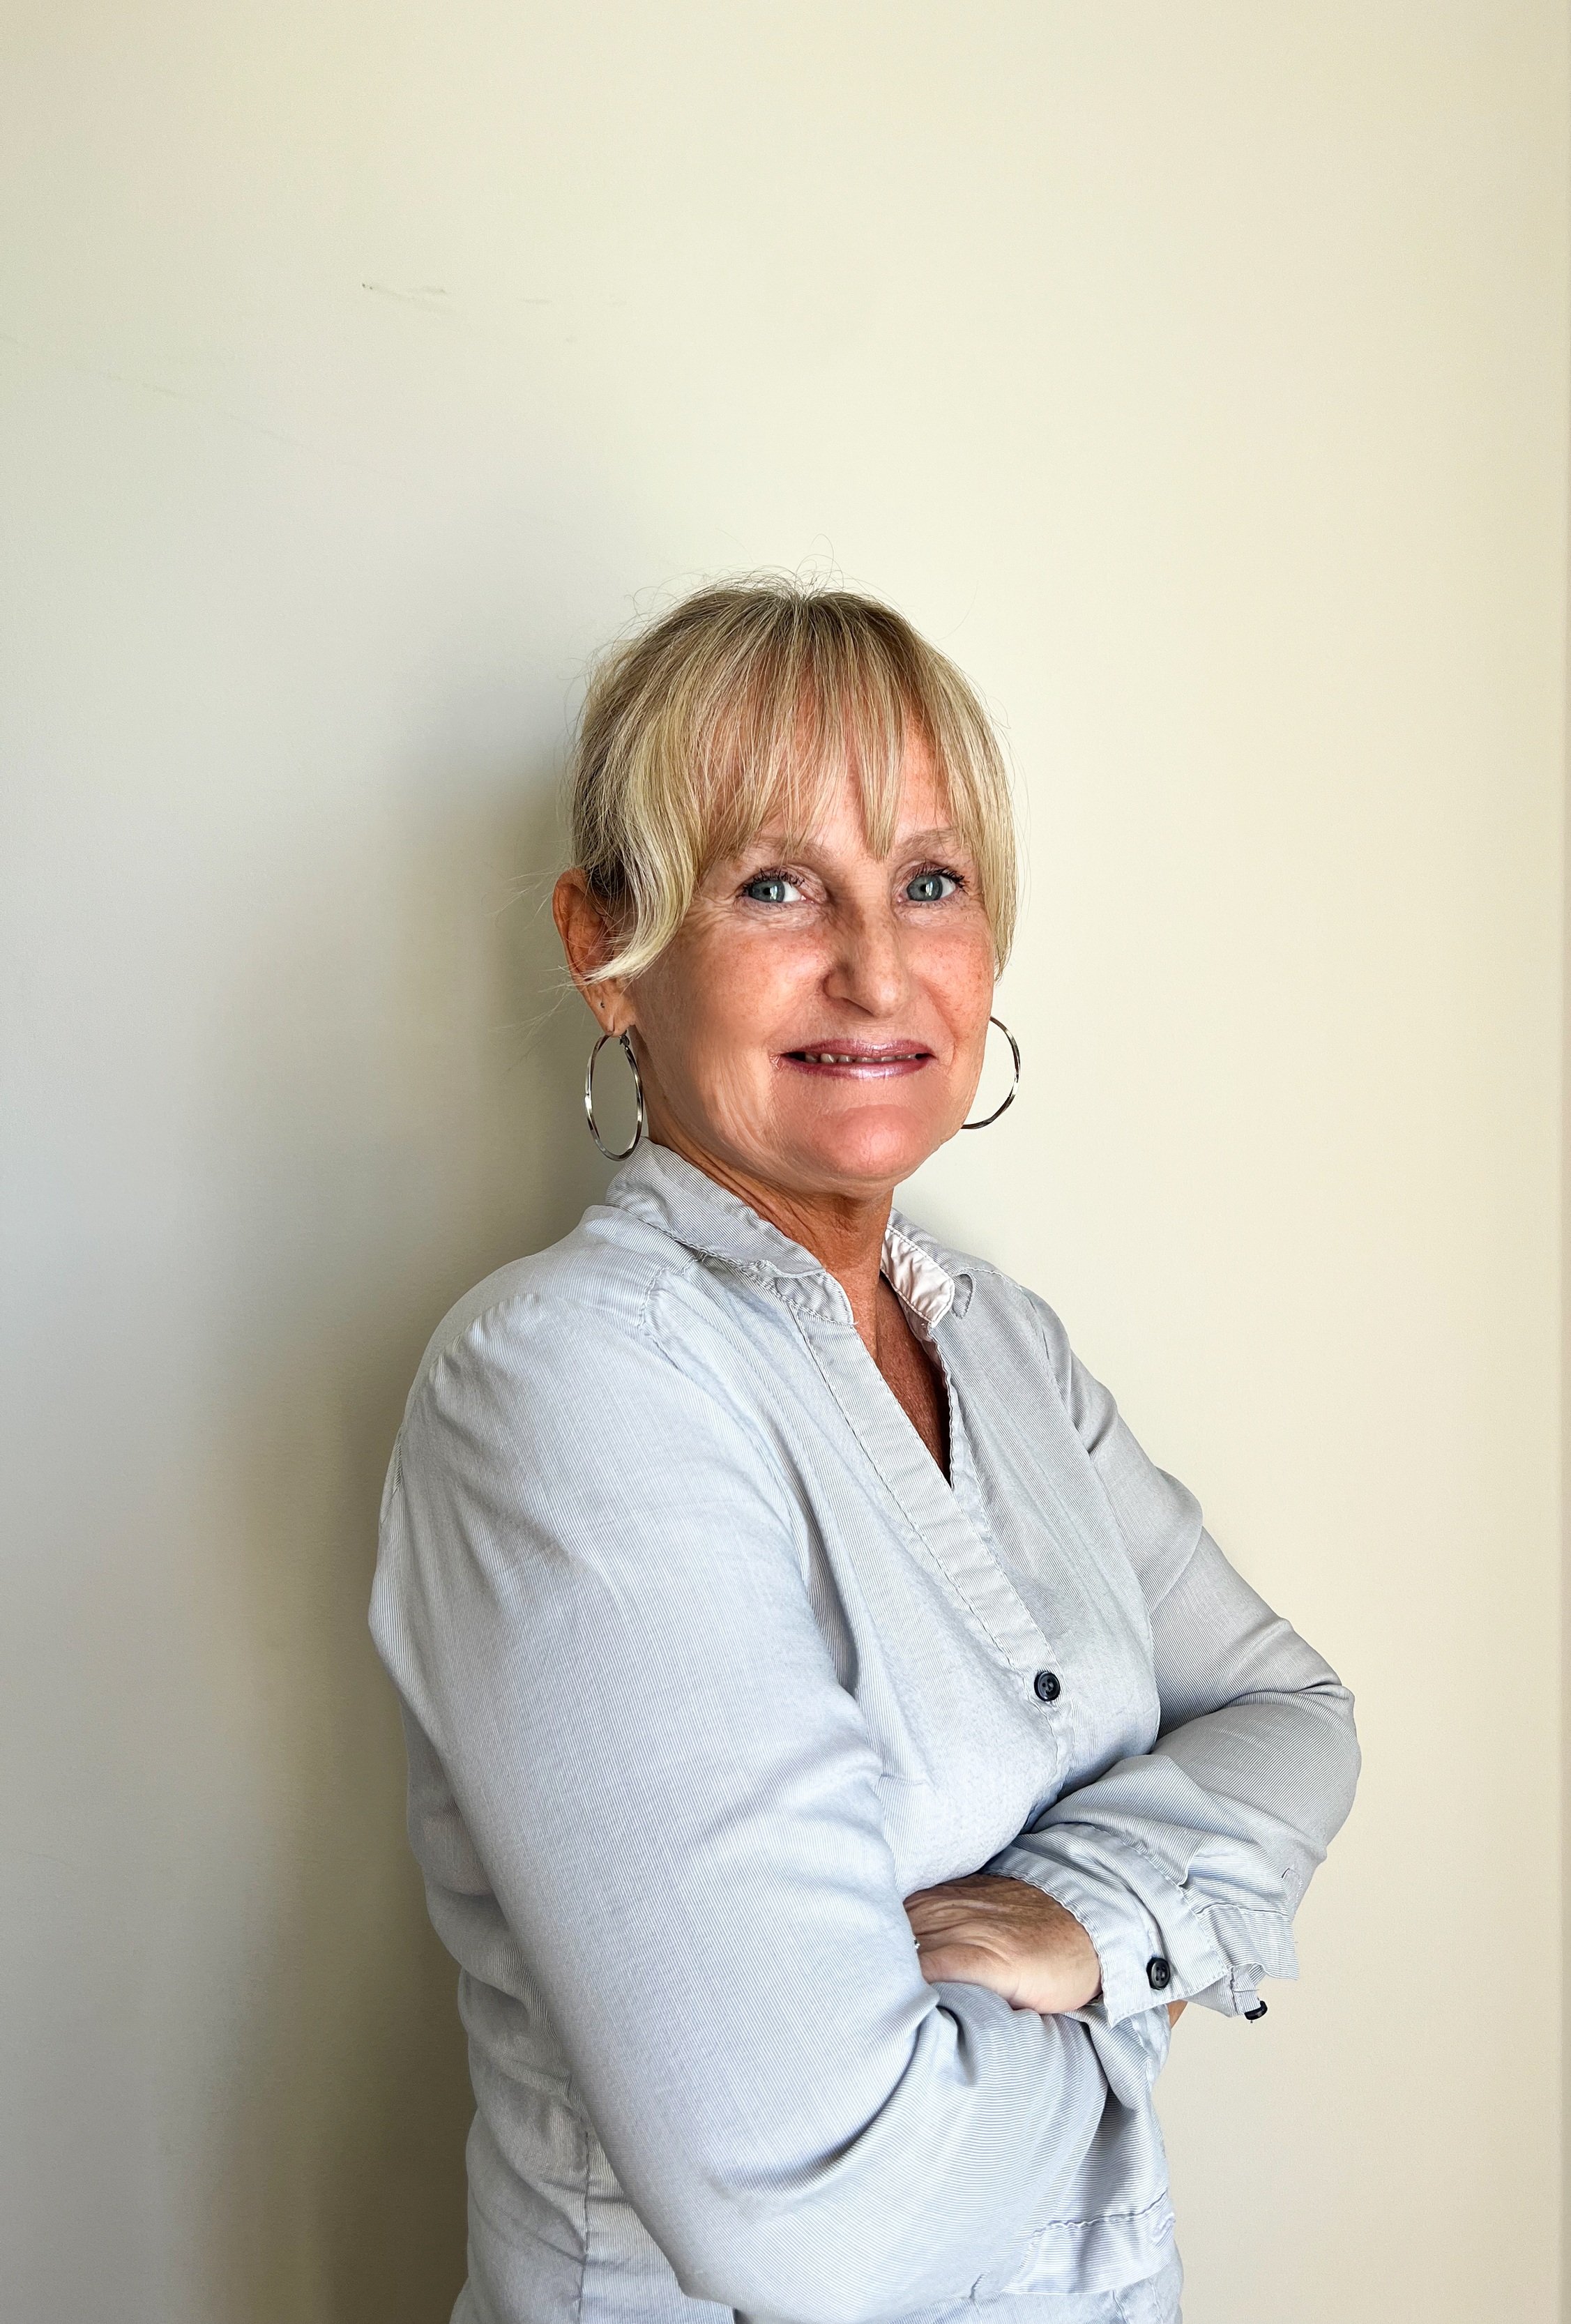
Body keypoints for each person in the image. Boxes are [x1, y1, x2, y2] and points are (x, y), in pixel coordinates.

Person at [370, 578, 1359, 2324]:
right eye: (774, 883)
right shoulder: (567, 1385)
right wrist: (1160, 1961)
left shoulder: (1002, 1343)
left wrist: (1081, 1926)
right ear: (604, 948)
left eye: (928, 880)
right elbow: (825, 2221)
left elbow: (1293, 1712)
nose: (878, 968)